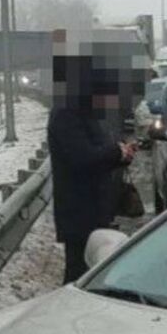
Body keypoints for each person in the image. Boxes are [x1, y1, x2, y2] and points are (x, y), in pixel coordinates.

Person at [48, 61, 137, 283]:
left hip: (94, 208)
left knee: (92, 271)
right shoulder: (66, 114)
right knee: (80, 273)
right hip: (79, 211)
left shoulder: (84, 112)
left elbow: (97, 154)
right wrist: (115, 152)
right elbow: (82, 157)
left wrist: (121, 155)